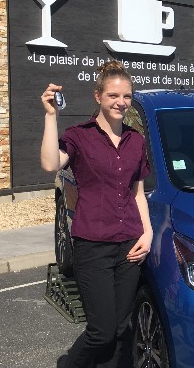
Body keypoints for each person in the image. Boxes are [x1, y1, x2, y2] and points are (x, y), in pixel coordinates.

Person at [41, 61, 153, 368]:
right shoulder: (79, 136)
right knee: (101, 332)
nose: (121, 102)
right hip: (93, 246)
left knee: (120, 329)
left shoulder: (135, 140)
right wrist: (51, 116)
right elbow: (50, 163)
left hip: (130, 245)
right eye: (113, 95)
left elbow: (137, 193)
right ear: (98, 96)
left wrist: (147, 233)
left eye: (127, 96)